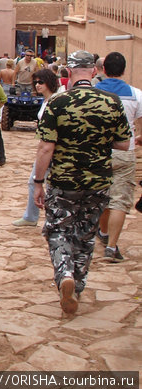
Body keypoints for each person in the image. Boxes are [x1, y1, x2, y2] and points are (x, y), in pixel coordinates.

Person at [33, 50, 130, 314]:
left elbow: (45, 148)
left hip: (64, 181)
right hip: (98, 181)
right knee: (86, 236)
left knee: (58, 230)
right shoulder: (111, 102)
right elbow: (123, 143)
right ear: (94, 71)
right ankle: (76, 285)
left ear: (68, 73)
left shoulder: (58, 102)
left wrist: (38, 182)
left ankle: (64, 274)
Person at [94, 52, 142, 262]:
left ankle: (102, 234)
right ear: (124, 70)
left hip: (96, 152)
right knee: (120, 200)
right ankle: (111, 246)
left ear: (103, 70)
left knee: (101, 196)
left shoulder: (92, 93)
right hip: (124, 152)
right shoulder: (136, 94)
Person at [12, 68, 61, 227]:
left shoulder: (54, 101)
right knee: (35, 182)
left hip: (52, 150)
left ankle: (38, 217)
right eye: (36, 82)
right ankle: (32, 216)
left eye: (41, 82)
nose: (37, 85)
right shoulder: (46, 101)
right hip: (47, 149)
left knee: (40, 182)